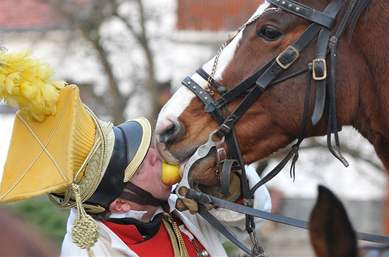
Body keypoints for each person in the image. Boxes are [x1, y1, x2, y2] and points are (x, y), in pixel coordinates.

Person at [0, 51, 271, 257]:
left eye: (146, 150)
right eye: (140, 165)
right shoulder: (92, 251)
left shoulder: (178, 203)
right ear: (121, 204)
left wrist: (225, 179)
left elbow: (257, 215)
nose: (156, 154)